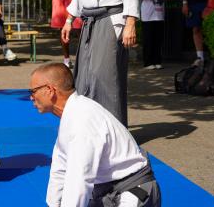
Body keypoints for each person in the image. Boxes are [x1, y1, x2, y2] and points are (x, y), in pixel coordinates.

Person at [29, 62, 161, 207]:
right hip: (106, 190)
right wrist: (53, 204)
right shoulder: (72, 113)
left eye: (33, 91)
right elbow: (60, 167)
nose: (31, 97)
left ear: (50, 90)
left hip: (133, 190)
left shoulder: (82, 119)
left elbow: (79, 179)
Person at [138, 0, 168, 70]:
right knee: (148, 40)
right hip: (147, 16)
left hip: (159, 16)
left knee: (158, 40)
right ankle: (148, 62)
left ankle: (157, 61)